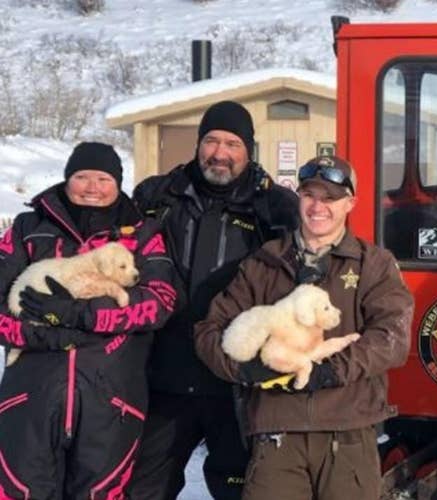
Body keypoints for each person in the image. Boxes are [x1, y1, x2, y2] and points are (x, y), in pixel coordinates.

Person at [193, 155, 413, 500]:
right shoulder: (264, 263)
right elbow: (209, 330)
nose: (317, 207)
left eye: (330, 198)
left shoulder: (373, 264)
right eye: (309, 195)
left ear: (350, 203)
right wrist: (242, 368)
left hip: (348, 432)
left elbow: (392, 338)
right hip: (276, 432)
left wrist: (328, 370)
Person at [127, 101, 300, 500]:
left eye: (232, 144)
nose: (219, 153)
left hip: (236, 382)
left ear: (248, 150)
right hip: (164, 377)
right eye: (211, 140)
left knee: (244, 489)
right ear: (198, 143)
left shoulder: (275, 208)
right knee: (143, 488)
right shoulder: (157, 196)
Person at [0, 142, 178, 499]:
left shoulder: (143, 233)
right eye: (82, 177)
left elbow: (160, 302)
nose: (92, 187)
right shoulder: (28, 227)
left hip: (111, 400)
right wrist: (40, 335)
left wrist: (82, 314)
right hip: (30, 396)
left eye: (103, 179)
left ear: (118, 184)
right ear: (67, 179)